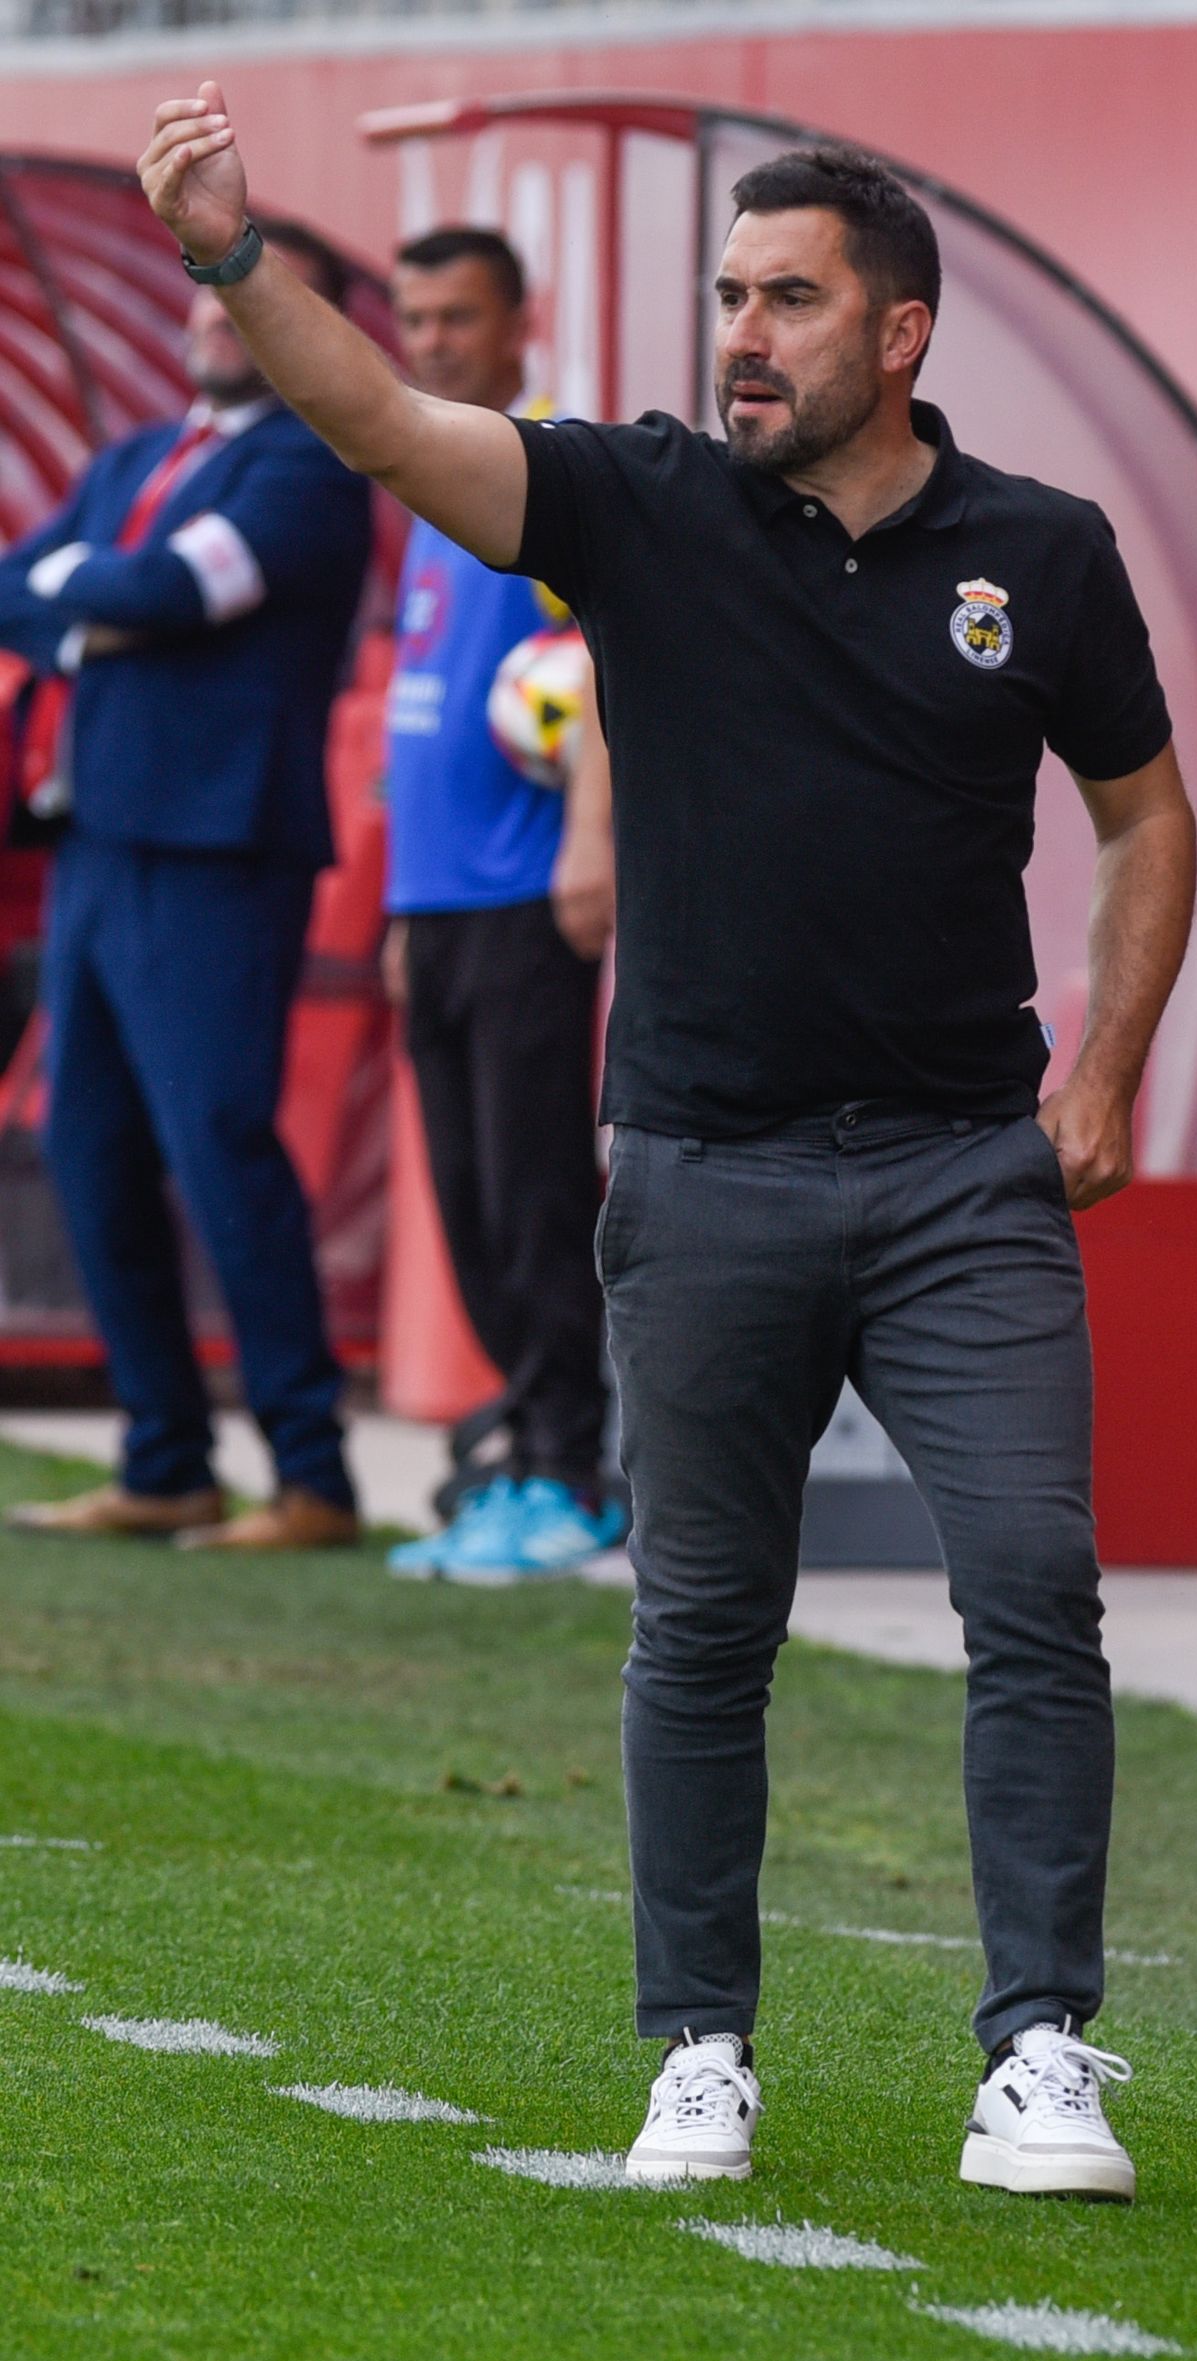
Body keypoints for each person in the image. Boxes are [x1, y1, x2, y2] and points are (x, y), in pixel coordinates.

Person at [139, 88, 1196, 2195]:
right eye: (727, 293)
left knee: (1034, 1591)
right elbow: (387, 430)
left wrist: (1103, 1070)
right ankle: (698, 2052)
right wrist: (238, 258)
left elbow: (1145, 814)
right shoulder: (633, 501)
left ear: (895, 334)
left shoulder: (1042, 556)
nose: (741, 332)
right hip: (702, 1168)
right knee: (701, 1624)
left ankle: (1040, 2052)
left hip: (962, 1175)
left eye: (787, 300)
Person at [0, 218, 371, 1552]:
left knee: (220, 1147)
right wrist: (92, 596)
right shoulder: (137, 458)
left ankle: (314, 1475)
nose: (223, 318)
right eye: (212, 299)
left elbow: (171, 592)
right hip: (97, 851)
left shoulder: (315, 468)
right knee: (85, 1151)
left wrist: (85, 598)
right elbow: (17, 588)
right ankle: (163, 1459)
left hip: (218, 858)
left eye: (257, 302)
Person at [376, 226, 622, 1584]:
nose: (430, 341)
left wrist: (591, 835)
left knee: (533, 1195)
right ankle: (524, 1458)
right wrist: (406, 914)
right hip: (440, 907)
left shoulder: (538, 474)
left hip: (529, 895)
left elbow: (600, 658)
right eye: (413, 318)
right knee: (472, 1202)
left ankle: (572, 1477)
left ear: (520, 322)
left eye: (457, 317)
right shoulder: (427, 481)